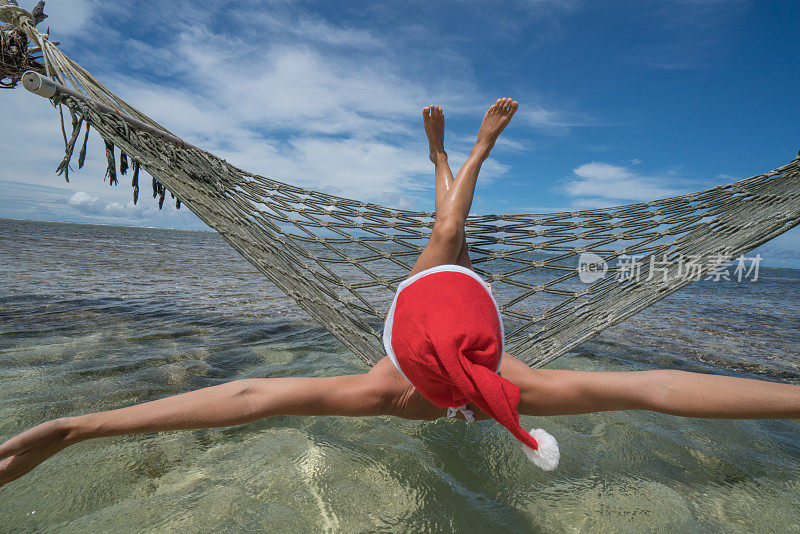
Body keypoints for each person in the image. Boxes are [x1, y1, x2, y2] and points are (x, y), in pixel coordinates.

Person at [1, 98, 799, 483]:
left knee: (445, 236)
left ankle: (457, 160)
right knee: (449, 232)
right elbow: (655, 388)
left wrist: (80, 424)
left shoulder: (394, 387)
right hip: (454, 301)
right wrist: (73, 427)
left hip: (435, 296)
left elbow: (248, 396)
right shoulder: (496, 383)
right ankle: (455, 162)